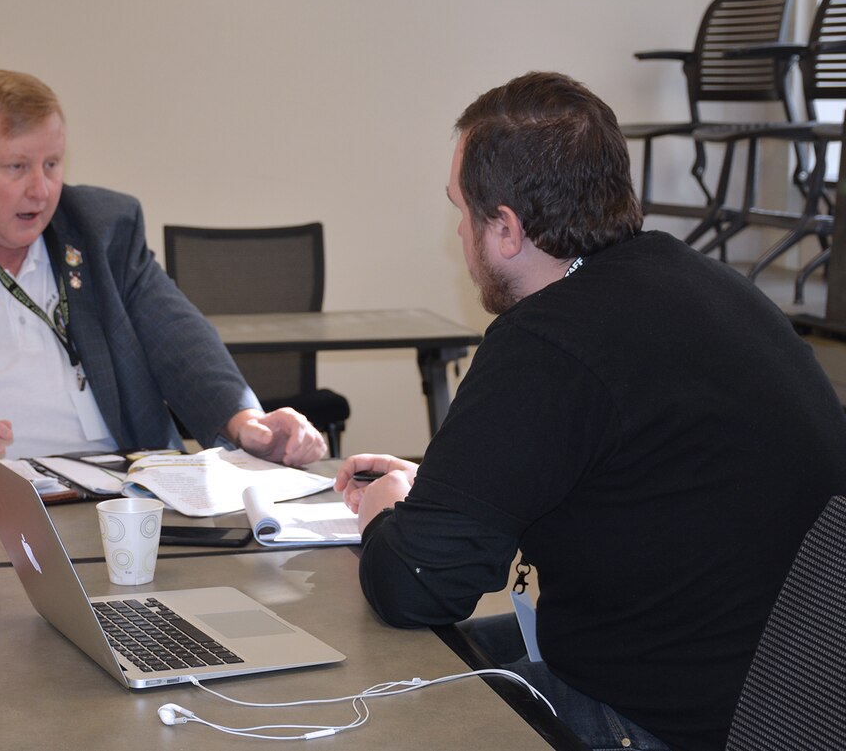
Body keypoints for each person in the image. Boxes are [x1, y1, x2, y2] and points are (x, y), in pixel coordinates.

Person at [334, 72, 846, 751]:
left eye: (462, 211)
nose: (459, 233)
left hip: (660, 719)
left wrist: (384, 511)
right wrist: (443, 483)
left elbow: (420, 584)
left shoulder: (549, 340)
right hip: (785, 700)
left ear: (507, 229)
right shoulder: (711, 286)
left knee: (373, 704)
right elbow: (620, 466)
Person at [0, 69, 326, 482]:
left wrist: (242, 420)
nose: (41, 190)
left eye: (52, 164)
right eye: (16, 167)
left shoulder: (102, 228)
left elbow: (179, 338)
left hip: (113, 486)